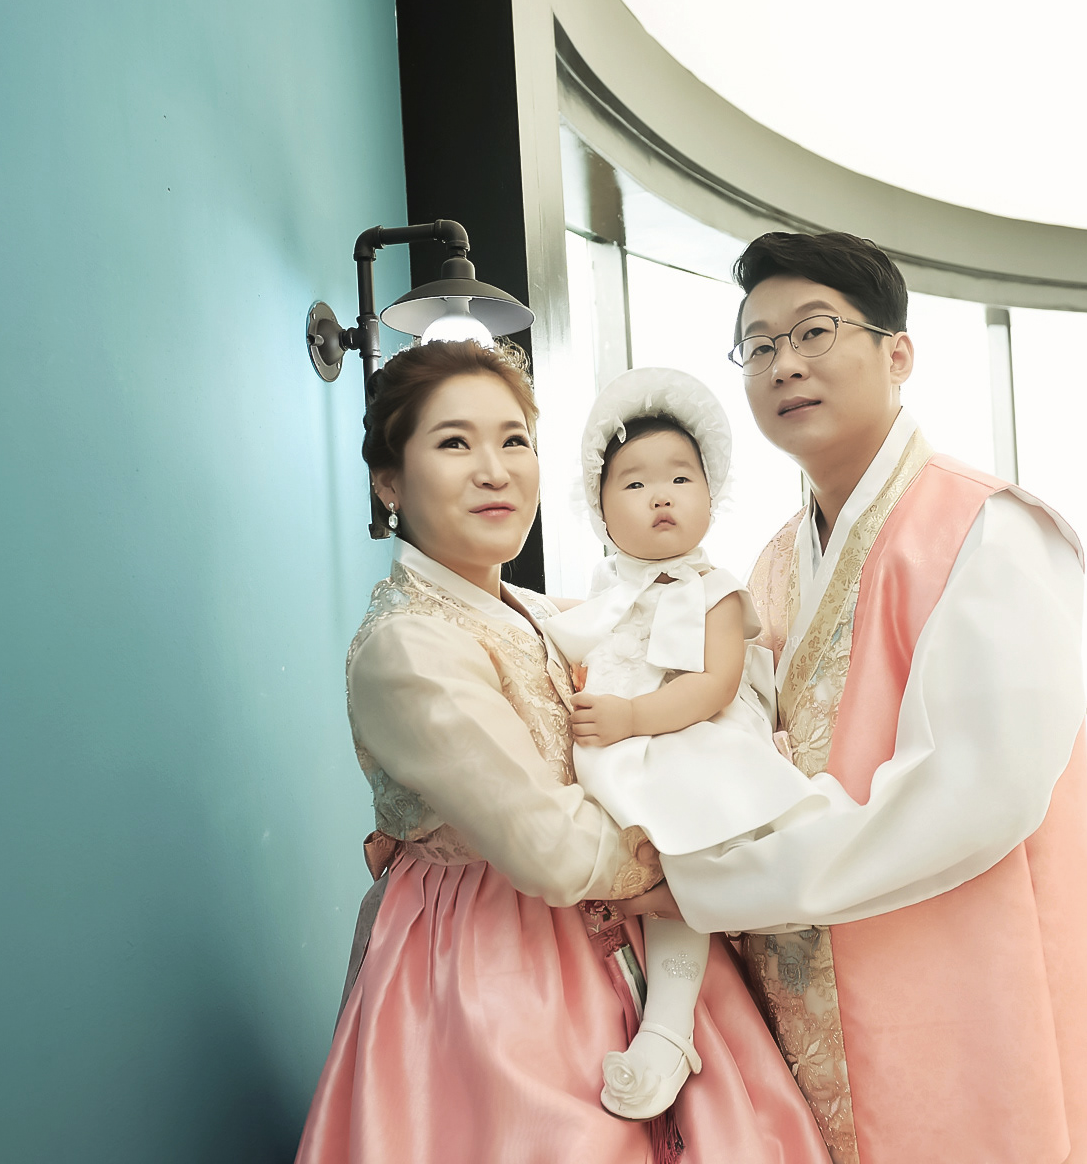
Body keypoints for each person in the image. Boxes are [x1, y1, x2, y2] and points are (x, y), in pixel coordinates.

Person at [659, 232, 1087, 1164]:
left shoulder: (988, 529)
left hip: (970, 1006)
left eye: (814, 331)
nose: (785, 364)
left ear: (899, 354)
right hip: (812, 1014)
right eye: (758, 345)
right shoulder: (772, 561)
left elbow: (972, 797)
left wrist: (717, 884)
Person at [294, 339, 828, 1164]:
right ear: (389, 481)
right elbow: (551, 847)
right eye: (454, 442)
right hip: (491, 963)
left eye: (514, 441)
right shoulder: (410, 646)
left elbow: (659, 634)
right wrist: (707, 848)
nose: (495, 470)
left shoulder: (532, 610)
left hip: (617, 929)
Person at [542, 368, 849, 1123]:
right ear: (600, 511)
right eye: (636, 483)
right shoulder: (607, 589)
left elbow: (713, 686)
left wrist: (632, 717)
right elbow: (570, 636)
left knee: (684, 858)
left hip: (693, 739)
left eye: (681, 478)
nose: (662, 496)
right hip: (630, 740)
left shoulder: (715, 589)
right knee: (629, 862)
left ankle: (669, 1027)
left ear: (712, 497)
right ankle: (641, 1006)